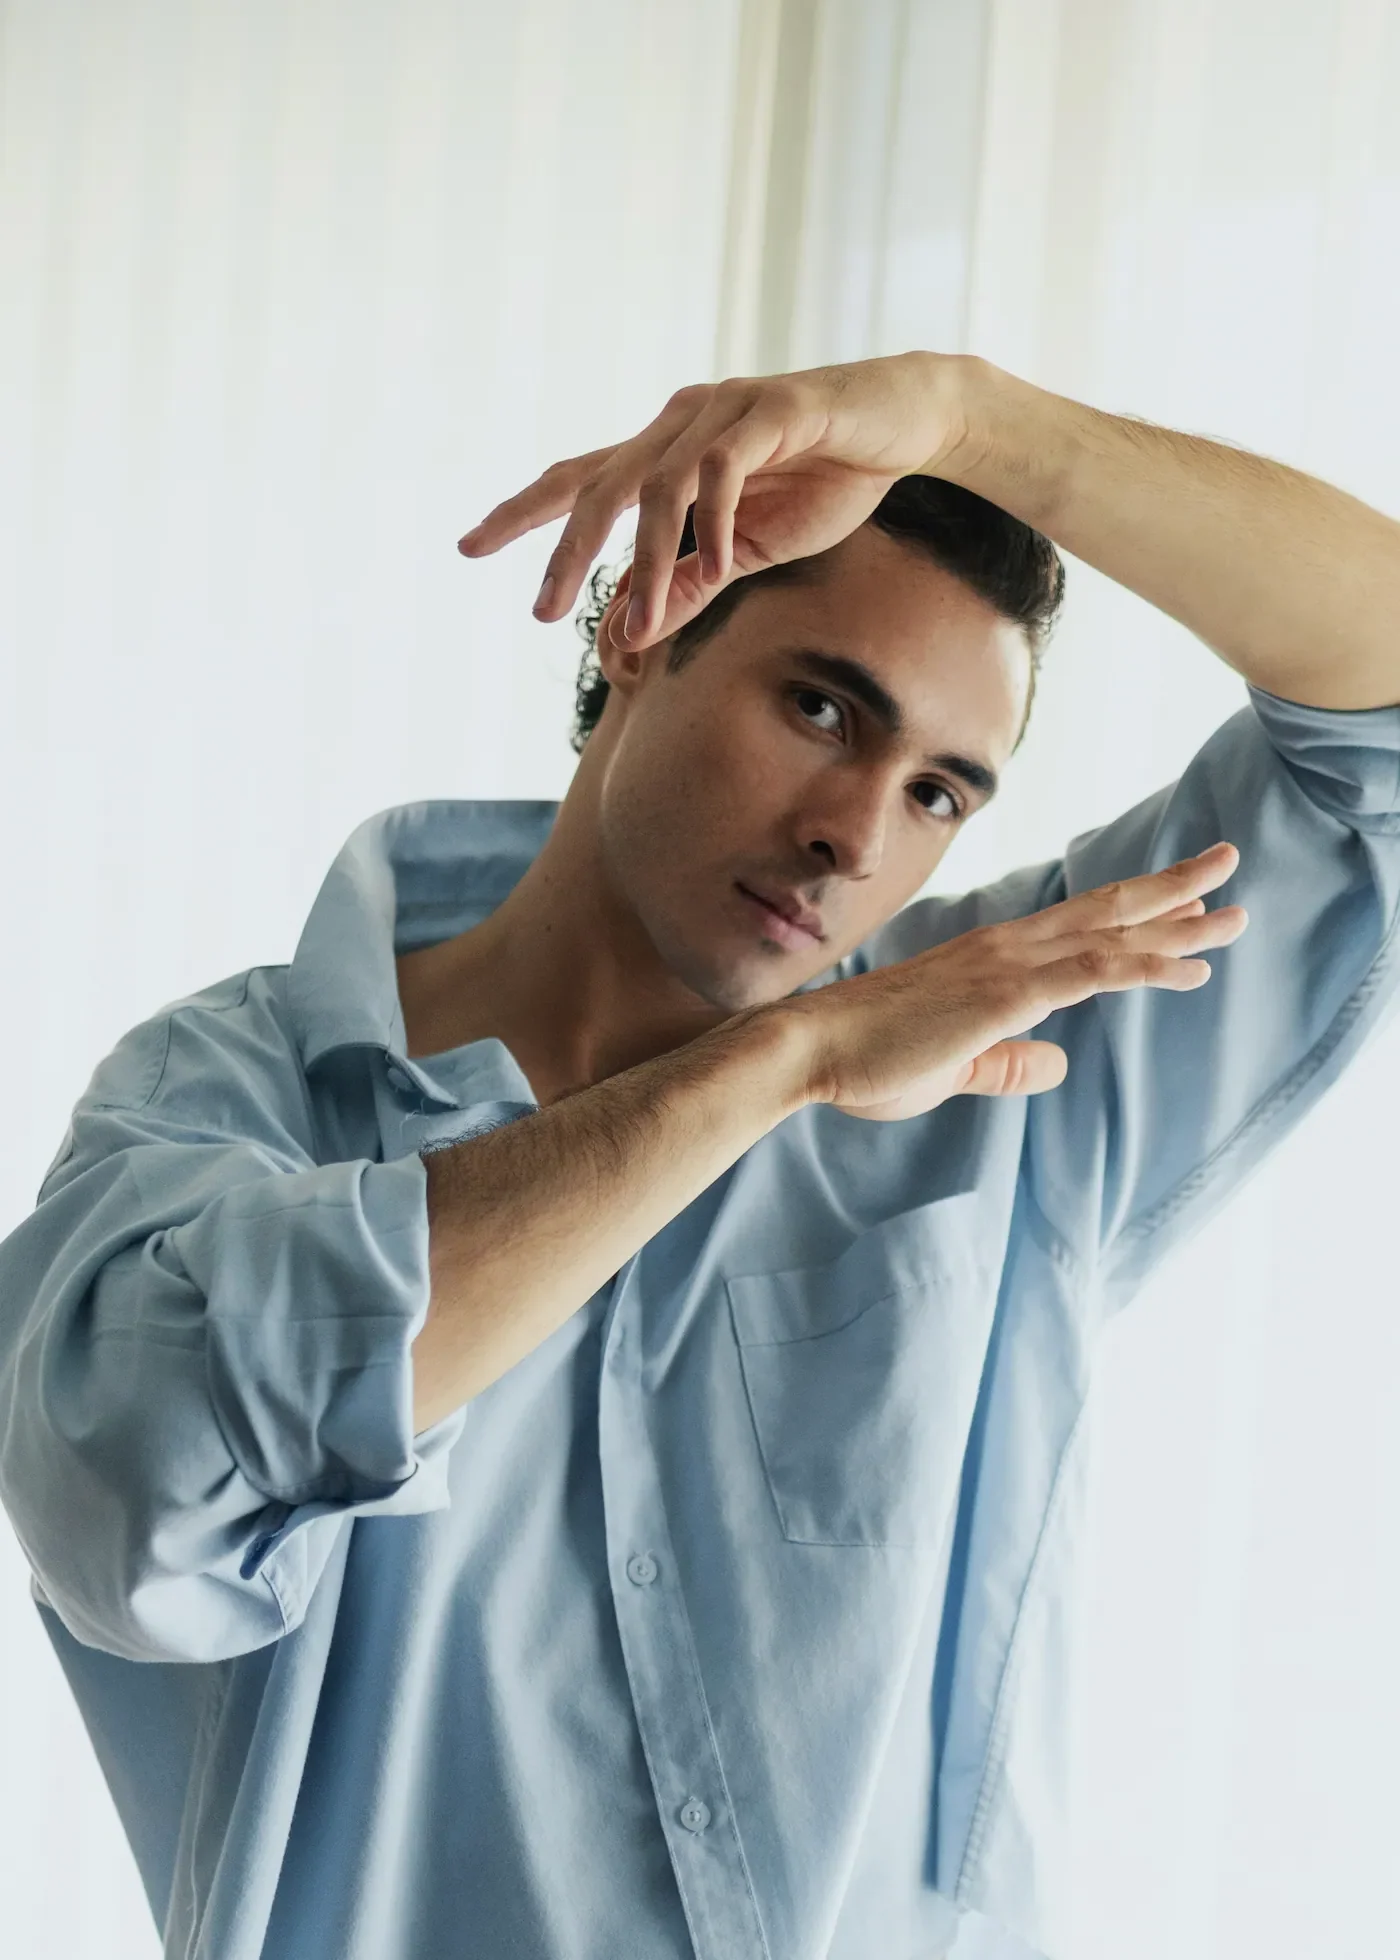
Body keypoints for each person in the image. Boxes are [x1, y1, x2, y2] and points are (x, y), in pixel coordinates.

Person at [1, 350, 1397, 1960]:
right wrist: (774, 1070)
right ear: (642, 626)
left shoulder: (1011, 1058)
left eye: (941, 790)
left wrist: (967, 419)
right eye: (822, 708)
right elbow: (132, 1497)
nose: (859, 838)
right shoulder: (228, 1100)